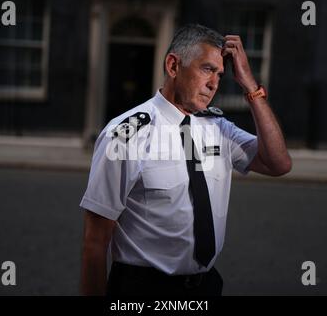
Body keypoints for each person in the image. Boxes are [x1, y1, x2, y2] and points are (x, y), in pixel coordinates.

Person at [80, 24, 292, 296]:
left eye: (219, 74)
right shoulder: (125, 135)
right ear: (173, 66)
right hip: (143, 290)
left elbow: (279, 164)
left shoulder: (219, 128)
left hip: (206, 287)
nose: (214, 83)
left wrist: (250, 85)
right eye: (206, 69)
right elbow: (95, 242)